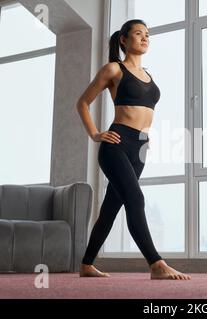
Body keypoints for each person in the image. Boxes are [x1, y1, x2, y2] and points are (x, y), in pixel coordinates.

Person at [76, 19, 191, 280]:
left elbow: (144, 112)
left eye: (147, 34)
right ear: (124, 40)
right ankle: (156, 264)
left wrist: (144, 137)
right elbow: (82, 102)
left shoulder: (149, 75)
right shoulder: (114, 69)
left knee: (111, 208)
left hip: (138, 147)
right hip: (115, 144)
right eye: (138, 34)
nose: (144, 38)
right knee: (136, 199)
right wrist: (95, 134)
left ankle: (86, 265)